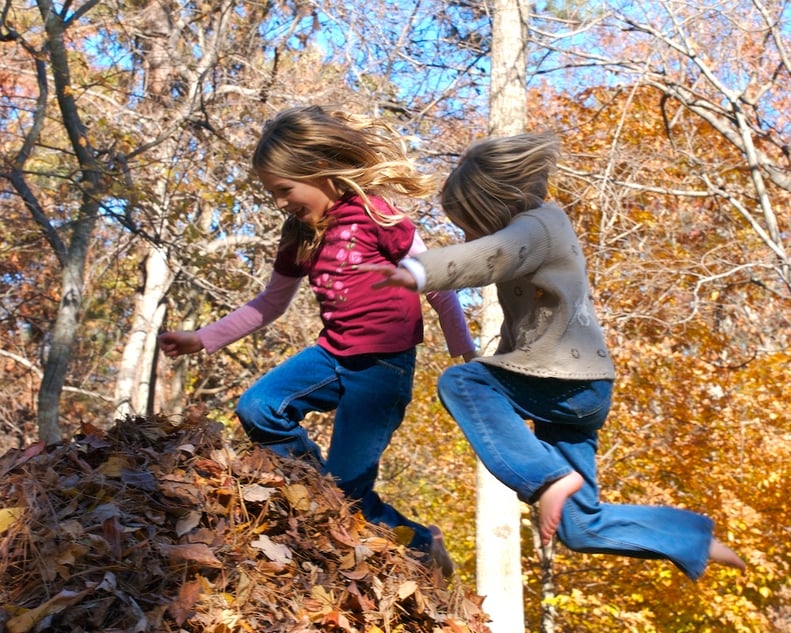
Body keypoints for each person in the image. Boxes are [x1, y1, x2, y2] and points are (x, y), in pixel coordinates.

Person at [363, 131, 745, 580]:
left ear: (496, 207)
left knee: (459, 384)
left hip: (565, 380)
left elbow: (489, 255)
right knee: (580, 528)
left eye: (467, 225)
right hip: (577, 392)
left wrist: (417, 270)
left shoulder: (538, 226)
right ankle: (694, 542)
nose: (465, 236)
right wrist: (485, 359)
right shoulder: (539, 232)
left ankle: (546, 479)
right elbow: (524, 329)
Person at [158, 105, 475, 578]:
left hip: (383, 370)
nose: (281, 202)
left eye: (284, 190)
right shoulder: (299, 235)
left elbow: (437, 282)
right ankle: (309, 485)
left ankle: (421, 543)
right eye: (272, 194)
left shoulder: (379, 216)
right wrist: (202, 338)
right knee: (259, 406)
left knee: (348, 493)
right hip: (330, 354)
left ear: (319, 170)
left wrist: (462, 351)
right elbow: (270, 303)